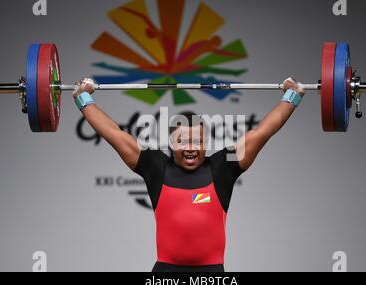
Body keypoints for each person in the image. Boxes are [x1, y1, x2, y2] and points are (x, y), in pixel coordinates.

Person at [73, 78, 305, 272]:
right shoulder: (155, 167)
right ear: (172, 143)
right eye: (183, 141)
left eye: (198, 140)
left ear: (207, 143)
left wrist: (291, 97)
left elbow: (262, 132)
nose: (191, 147)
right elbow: (114, 134)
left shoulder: (223, 167)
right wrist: (83, 98)